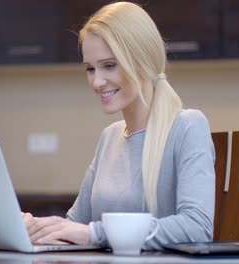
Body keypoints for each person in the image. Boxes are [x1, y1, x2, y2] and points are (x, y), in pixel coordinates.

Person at [22, 1, 215, 250]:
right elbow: (76, 224)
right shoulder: (110, 137)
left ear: (142, 60)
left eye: (109, 65)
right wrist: (33, 227)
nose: (96, 81)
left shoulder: (188, 126)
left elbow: (196, 228)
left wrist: (94, 234)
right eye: (90, 69)